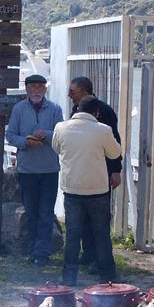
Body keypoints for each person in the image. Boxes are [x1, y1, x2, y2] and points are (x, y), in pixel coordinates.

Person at [52, 96, 123, 286]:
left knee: (73, 234)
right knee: (101, 233)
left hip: (72, 189)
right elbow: (115, 153)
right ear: (96, 112)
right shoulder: (103, 130)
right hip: (98, 189)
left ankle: (69, 277)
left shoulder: (61, 128)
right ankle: (107, 275)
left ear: (77, 110)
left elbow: (56, 148)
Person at [6, 73, 62, 265]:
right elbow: (11, 135)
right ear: (27, 89)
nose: (37, 90)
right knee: (31, 213)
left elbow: (61, 136)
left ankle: (42, 253)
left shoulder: (55, 109)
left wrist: (45, 134)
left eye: (40, 87)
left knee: (46, 213)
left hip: (49, 169)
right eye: (33, 87)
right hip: (27, 169)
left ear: (45, 89)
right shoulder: (18, 109)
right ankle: (32, 250)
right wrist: (25, 141)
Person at [67, 76, 121, 267]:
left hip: (101, 172)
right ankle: (88, 254)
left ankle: (100, 260)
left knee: (99, 222)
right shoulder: (76, 110)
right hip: (81, 172)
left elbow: (115, 143)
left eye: (72, 92)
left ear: (84, 92)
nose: (69, 95)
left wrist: (116, 170)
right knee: (82, 222)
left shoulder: (104, 111)